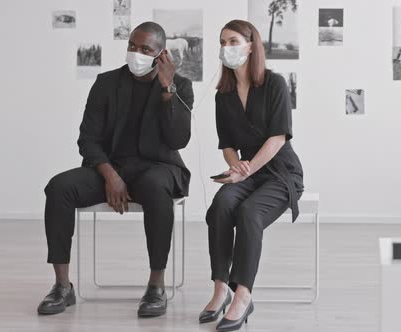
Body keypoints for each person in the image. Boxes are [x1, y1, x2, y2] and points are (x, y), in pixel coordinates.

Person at [37, 21, 193, 318]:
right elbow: (88, 138)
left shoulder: (178, 85)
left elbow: (178, 140)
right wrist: (110, 175)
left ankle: (156, 286)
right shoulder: (106, 83)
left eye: (145, 49)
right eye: (132, 46)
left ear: (161, 54)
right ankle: (61, 286)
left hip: (158, 167)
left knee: (156, 188)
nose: (136, 53)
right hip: (111, 167)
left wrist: (167, 89)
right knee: (58, 187)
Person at [199, 20, 304, 331]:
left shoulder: (274, 84)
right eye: (223, 42)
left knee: (248, 212)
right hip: (248, 172)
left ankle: (243, 295)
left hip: (281, 173)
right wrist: (236, 167)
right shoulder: (223, 95)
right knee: (220, 206)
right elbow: (227, 144)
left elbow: (278, 138)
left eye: (233, 41)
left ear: (251, 45)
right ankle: (220, 288)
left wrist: (247, 169)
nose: (226, 48)